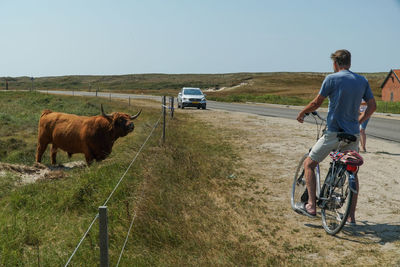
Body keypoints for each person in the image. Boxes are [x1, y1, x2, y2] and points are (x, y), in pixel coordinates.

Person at [295, 49, 376, 225]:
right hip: (353, 135)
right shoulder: (362, 81)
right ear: (350, 63)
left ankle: (310, 205)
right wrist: (359, 120)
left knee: (310, 163)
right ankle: (350, 216)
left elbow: (317, 103)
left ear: (335, 63)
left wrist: (302, 113)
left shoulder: (331, 79)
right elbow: (372, 106)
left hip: (334, 132)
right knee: (351, 170)